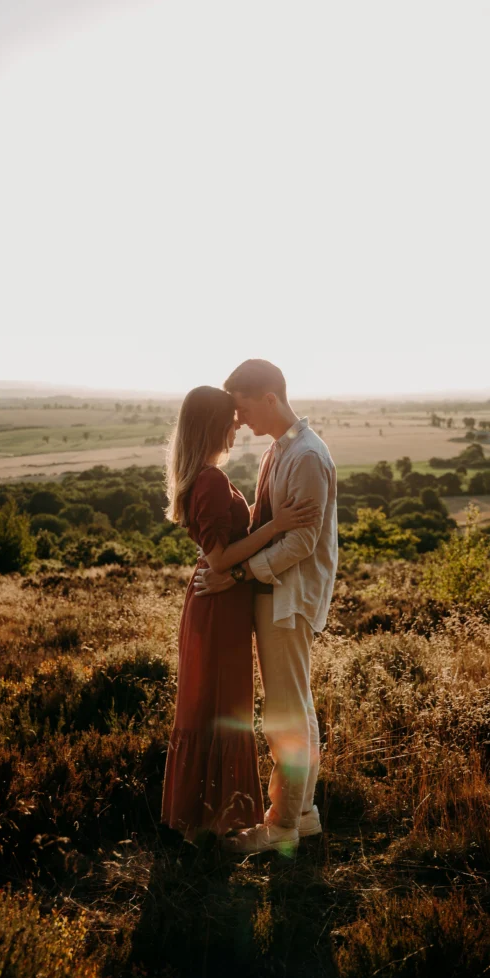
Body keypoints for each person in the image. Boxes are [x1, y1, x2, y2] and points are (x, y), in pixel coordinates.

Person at [160, 385, 320, 842]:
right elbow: (219, 559)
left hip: (223, 604)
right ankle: (205, 824)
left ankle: (207, 821)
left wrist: (261, 522)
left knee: (218, 704)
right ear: (213, 424)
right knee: (216, 704)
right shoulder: (209, 479)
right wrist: (276, 524)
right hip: (217, 604)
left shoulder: (207, 475)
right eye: (231, 417)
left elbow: (225, 546)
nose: (237, 424)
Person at [194, 361, 338, 854]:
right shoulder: (280, 451)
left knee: (285, 714)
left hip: (286, 597)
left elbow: (300, 543)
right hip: (274, 593)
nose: (240, 419)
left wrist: (235, 573)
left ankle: (280, 828)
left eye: (244, 406)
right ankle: (303, 814)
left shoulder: (306, 458)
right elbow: (268, 522)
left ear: (270, 398)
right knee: (296, 705)